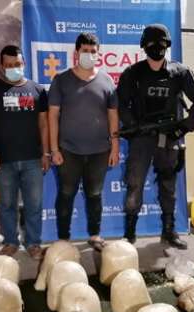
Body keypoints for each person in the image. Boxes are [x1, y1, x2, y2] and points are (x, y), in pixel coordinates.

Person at [117, 24, 194, 249]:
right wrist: (132, 125)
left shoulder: (180, 72)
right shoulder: (133, 73)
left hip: (169, 137)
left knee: (168, 185)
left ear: (167, 45)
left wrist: (184, 127)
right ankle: (129, 233)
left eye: (161, 43)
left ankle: (169, 230)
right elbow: (120, 102)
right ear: (143, 46)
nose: (156, 48)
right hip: (142, 138)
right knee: (135, 183)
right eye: (151, 44)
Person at [48, 32, 119, 251]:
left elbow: (113, 116)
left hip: (100, 150)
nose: (88, 54)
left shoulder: (107, 81)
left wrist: (114, 147)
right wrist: (54, 149)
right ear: (76, 52)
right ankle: (63, 239)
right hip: (68, 150)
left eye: (92, 51)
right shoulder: (61, 80)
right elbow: (52, 115)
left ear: (98, 54)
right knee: (66, 193)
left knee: (95, 194)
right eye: (84, 51)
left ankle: (95, 234)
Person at [0, 45, 49, 259]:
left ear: (24, 64)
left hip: (33, 160)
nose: (13, 68)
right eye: (9, 65)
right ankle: (10, 242)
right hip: (3, 161)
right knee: (7, 205)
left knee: (34, 205)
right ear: (1, 67)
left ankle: (34, 243)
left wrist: (45, 153)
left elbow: (44, 125)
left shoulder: (38, 90)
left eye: (17, 64)